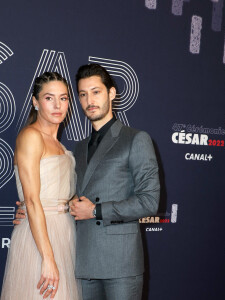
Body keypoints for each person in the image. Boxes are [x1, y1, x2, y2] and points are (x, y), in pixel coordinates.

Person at [15, 64, 160, 300]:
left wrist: (95, 210)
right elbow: (67, 195)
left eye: (96, 92)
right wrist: (33, 206)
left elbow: (150, 201)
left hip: (120, 265)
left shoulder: (136, 139)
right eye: (82, 94)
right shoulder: (78, 148)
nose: (89, 100)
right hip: (81, 263)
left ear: (111, 94)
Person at [1, 72, 81, 299]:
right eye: (49, 98)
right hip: (40, 239)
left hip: (64, 233)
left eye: (63, 98)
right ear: (35, 102)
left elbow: (62, 194)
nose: (58, 105)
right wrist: (47, 257)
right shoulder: (30, 136)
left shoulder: (59, 145)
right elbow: (33, 200)